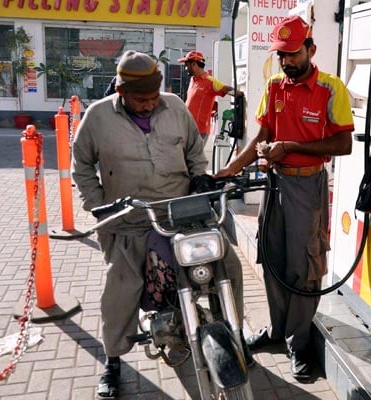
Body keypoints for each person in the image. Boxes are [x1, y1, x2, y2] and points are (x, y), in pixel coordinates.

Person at [71, 50, 248, 399]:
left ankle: (235, 338)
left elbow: (195, 151)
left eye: (154, 97)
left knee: (229, 266)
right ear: (121, 91)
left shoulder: (175, 107)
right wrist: (99, 208)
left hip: (183, 213)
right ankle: (113, 359)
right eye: (141, 99)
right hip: (129, 220)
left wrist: (199, 178)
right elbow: (81, 167)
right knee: (119, 291)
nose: (150, 104)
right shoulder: (98, 117)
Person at [215, 15, 354, 381]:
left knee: (304, 267)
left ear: (310, 49)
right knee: (273, 258)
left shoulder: (331, 88)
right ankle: (277, 332)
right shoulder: (275, 85)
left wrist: (292, 146)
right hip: (274, 184)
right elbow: (262, 131)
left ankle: (300, 342)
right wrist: (232, 167)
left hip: (308, 187)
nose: (286, 62)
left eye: (292, 55)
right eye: (281, 56)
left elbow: (344, 144)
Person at [178, 50, 238, 138]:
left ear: (194, 64)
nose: (185, 68)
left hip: (199, 131)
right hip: (188, 129)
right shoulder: (193, 80)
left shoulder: (210, 81)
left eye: (186, 65)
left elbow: (227, 89)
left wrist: (240, 94)